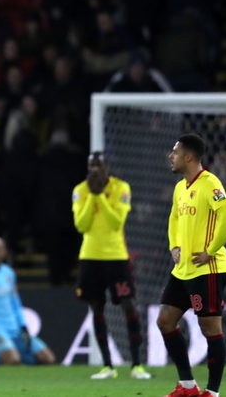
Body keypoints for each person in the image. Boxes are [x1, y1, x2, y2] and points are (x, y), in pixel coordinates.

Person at [157, 134, 226, 397]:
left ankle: (212, 392)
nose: (170, 156)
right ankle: (188, 386)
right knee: (165, 320)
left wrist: (211, 251)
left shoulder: (211, 184)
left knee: (210, 328)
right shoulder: (180, 187)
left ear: (188, 156)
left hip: (208, 268)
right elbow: (174, 217)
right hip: (183, 269)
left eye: (175, 152)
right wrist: (174, 245)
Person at [72, 152, 151, 380]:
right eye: (91, 165)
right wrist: (93, 197)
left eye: (98, 165)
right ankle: (107, 366)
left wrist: (101, 197)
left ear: (107, 166)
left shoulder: (121, 188)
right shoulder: (80, 190)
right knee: (96, 308)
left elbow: (117, 222)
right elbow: (81, 225)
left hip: (116, 256)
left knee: (129, 306)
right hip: (90, 257)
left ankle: (137, 365)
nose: (94, 169)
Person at [0, 237, 55, 366]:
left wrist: (23, 325)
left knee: (47, 359)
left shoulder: (8, 273)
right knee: (12, 360)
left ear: (4, 252)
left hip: (14, 328)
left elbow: (15, 302)